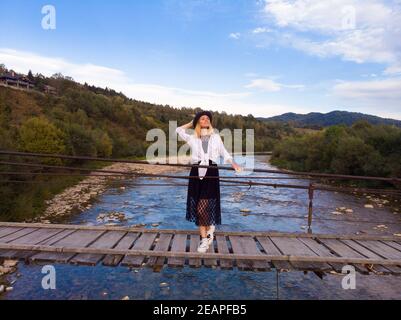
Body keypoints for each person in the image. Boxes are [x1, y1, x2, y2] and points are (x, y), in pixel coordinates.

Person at [176, 110, 242, 253]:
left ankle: (206, 235)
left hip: (211, 172)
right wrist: (192, 122)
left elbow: (224, 152)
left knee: (202, 207)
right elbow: (178, 130)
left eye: (207, 118)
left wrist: (233, 163)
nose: (204, 120)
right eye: (201, 118)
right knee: (199, 208)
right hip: (196, 172)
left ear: (210, 121)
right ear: (198, 122)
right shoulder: (193, 137)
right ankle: (205, 237)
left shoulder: (216, 137)